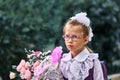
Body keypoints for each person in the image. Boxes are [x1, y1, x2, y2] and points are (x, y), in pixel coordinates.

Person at [59, 12, 104, 80]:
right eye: (67, 36)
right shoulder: (63, 61)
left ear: (85, 39)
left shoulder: (92, 62)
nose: (70, 40)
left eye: (75, 37)